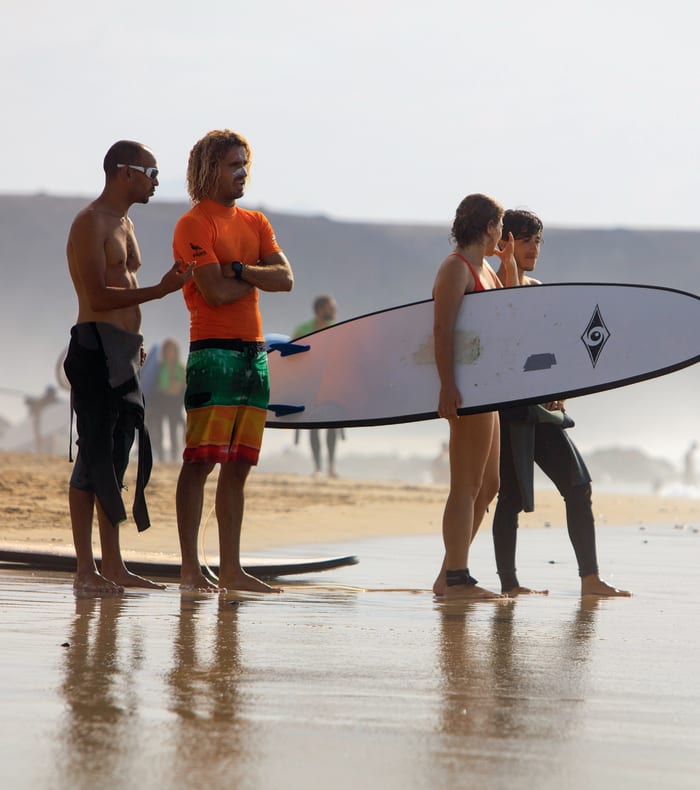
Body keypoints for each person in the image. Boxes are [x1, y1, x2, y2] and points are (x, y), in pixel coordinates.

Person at [64, 140, 194, 595]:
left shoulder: (125, 222)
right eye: (151, 172)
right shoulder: (89, 223)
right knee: (92, 457)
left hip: (123, 350)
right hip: (95, 348)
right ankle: (85, 571)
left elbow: (126, 282)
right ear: (124, 172)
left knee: (117, 458)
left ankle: (114, 566)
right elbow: (97, 296)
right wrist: (160, 291)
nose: (157, 180)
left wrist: (135, 341)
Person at [172, 129, 294, 592]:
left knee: (239, 465)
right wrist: (250, 278)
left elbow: (284, 279)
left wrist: (240, 269)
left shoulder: (256, 221)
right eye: (232, 165)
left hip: (253, 352)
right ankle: (189, 569)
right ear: (209, 169)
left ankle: (231, 569)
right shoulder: (194, 224)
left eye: (245, 164)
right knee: (201, 461)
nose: (242, 172)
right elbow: (214, 292)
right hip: (213, 352)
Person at [492, 208, 630, 597]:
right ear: (506, 243)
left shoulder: (538, 287)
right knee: (512, 496)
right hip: (507, 408)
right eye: (527, 240)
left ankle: (590, 579)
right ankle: (510, 585)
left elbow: (549, 347)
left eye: (539, 241)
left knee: (578, 485)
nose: (535, 248)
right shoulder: (492, 286)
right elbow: (505, 323)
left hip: (541, 408)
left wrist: (560, 385)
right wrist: (508, 269)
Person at [431, 193, 518, 600]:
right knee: (465, 485)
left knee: (489, 485)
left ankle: (449, 572)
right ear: (489, 227)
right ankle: (456, 580)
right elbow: (442, 330)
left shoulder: (485, 269)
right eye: (499, 226)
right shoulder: (456, 268)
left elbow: (509, 310)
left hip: (489, 389)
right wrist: (447, 385)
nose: (501, 234)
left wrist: (509, 264)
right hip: (467, 389)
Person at [292, 294, 342, 477]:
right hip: (309, 385)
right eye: (331, 307)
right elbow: (291, 358)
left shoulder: (338, 329)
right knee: (312, 425)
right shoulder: (303, 329)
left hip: (332, 384)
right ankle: (318, 467)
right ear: (320, 310)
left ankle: (331, 466)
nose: (335, 310)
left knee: (333, 425)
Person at [151, 338, 186, 462]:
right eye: (167, 350)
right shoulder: (160, 367)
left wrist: (175, 387)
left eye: (172, 350)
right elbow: (157, 385)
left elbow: (183, 385)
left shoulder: (180, 367)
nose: (170, 353)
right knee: (159, 429)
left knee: (174, 429)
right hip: (162, 401)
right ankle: (161, 456)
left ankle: (174, 456)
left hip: (175, 403)